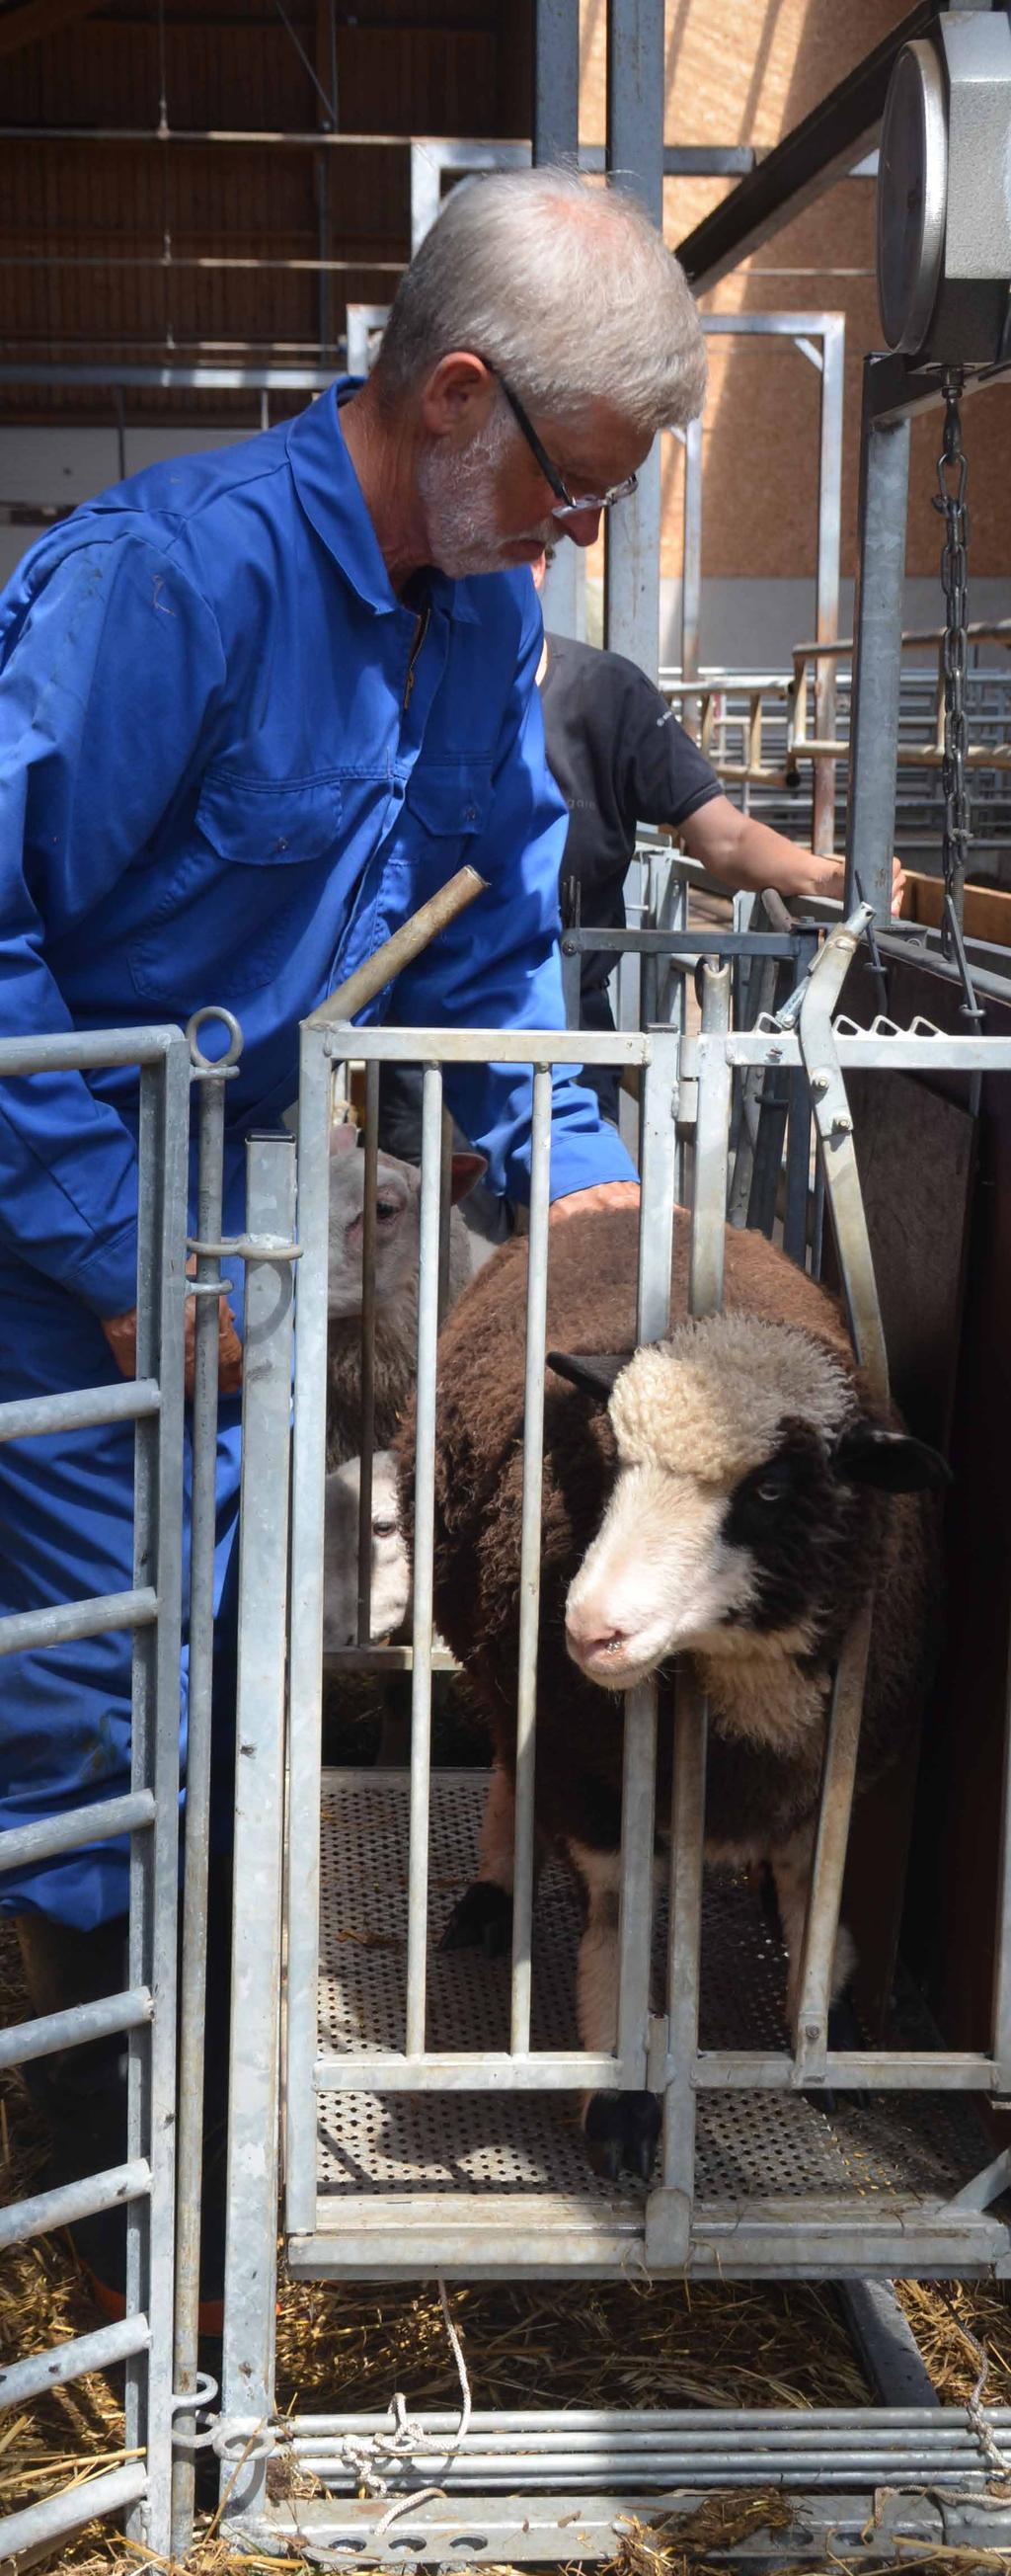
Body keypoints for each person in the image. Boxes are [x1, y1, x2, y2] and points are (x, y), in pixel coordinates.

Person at [0, 166, 706, 2300]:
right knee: (88, 1705)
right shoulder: (169, 585)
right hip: (66, 1232)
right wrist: (120, 1243)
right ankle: (102, 2198)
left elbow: (479, 925)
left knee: (216, 1663)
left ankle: (182, 2124)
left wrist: (565, 1144)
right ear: (460, 396)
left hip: (250, 1222)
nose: (576, 538)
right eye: (576, 488)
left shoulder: (478, 616)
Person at [533, 546, 907, 1124]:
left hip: (567, 1028)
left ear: (538, 564)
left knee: (574, 1203)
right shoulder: (416, 684)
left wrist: (829, 877)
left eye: (519, 551)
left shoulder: (605, 693)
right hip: (423, 1029)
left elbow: (723, 837)